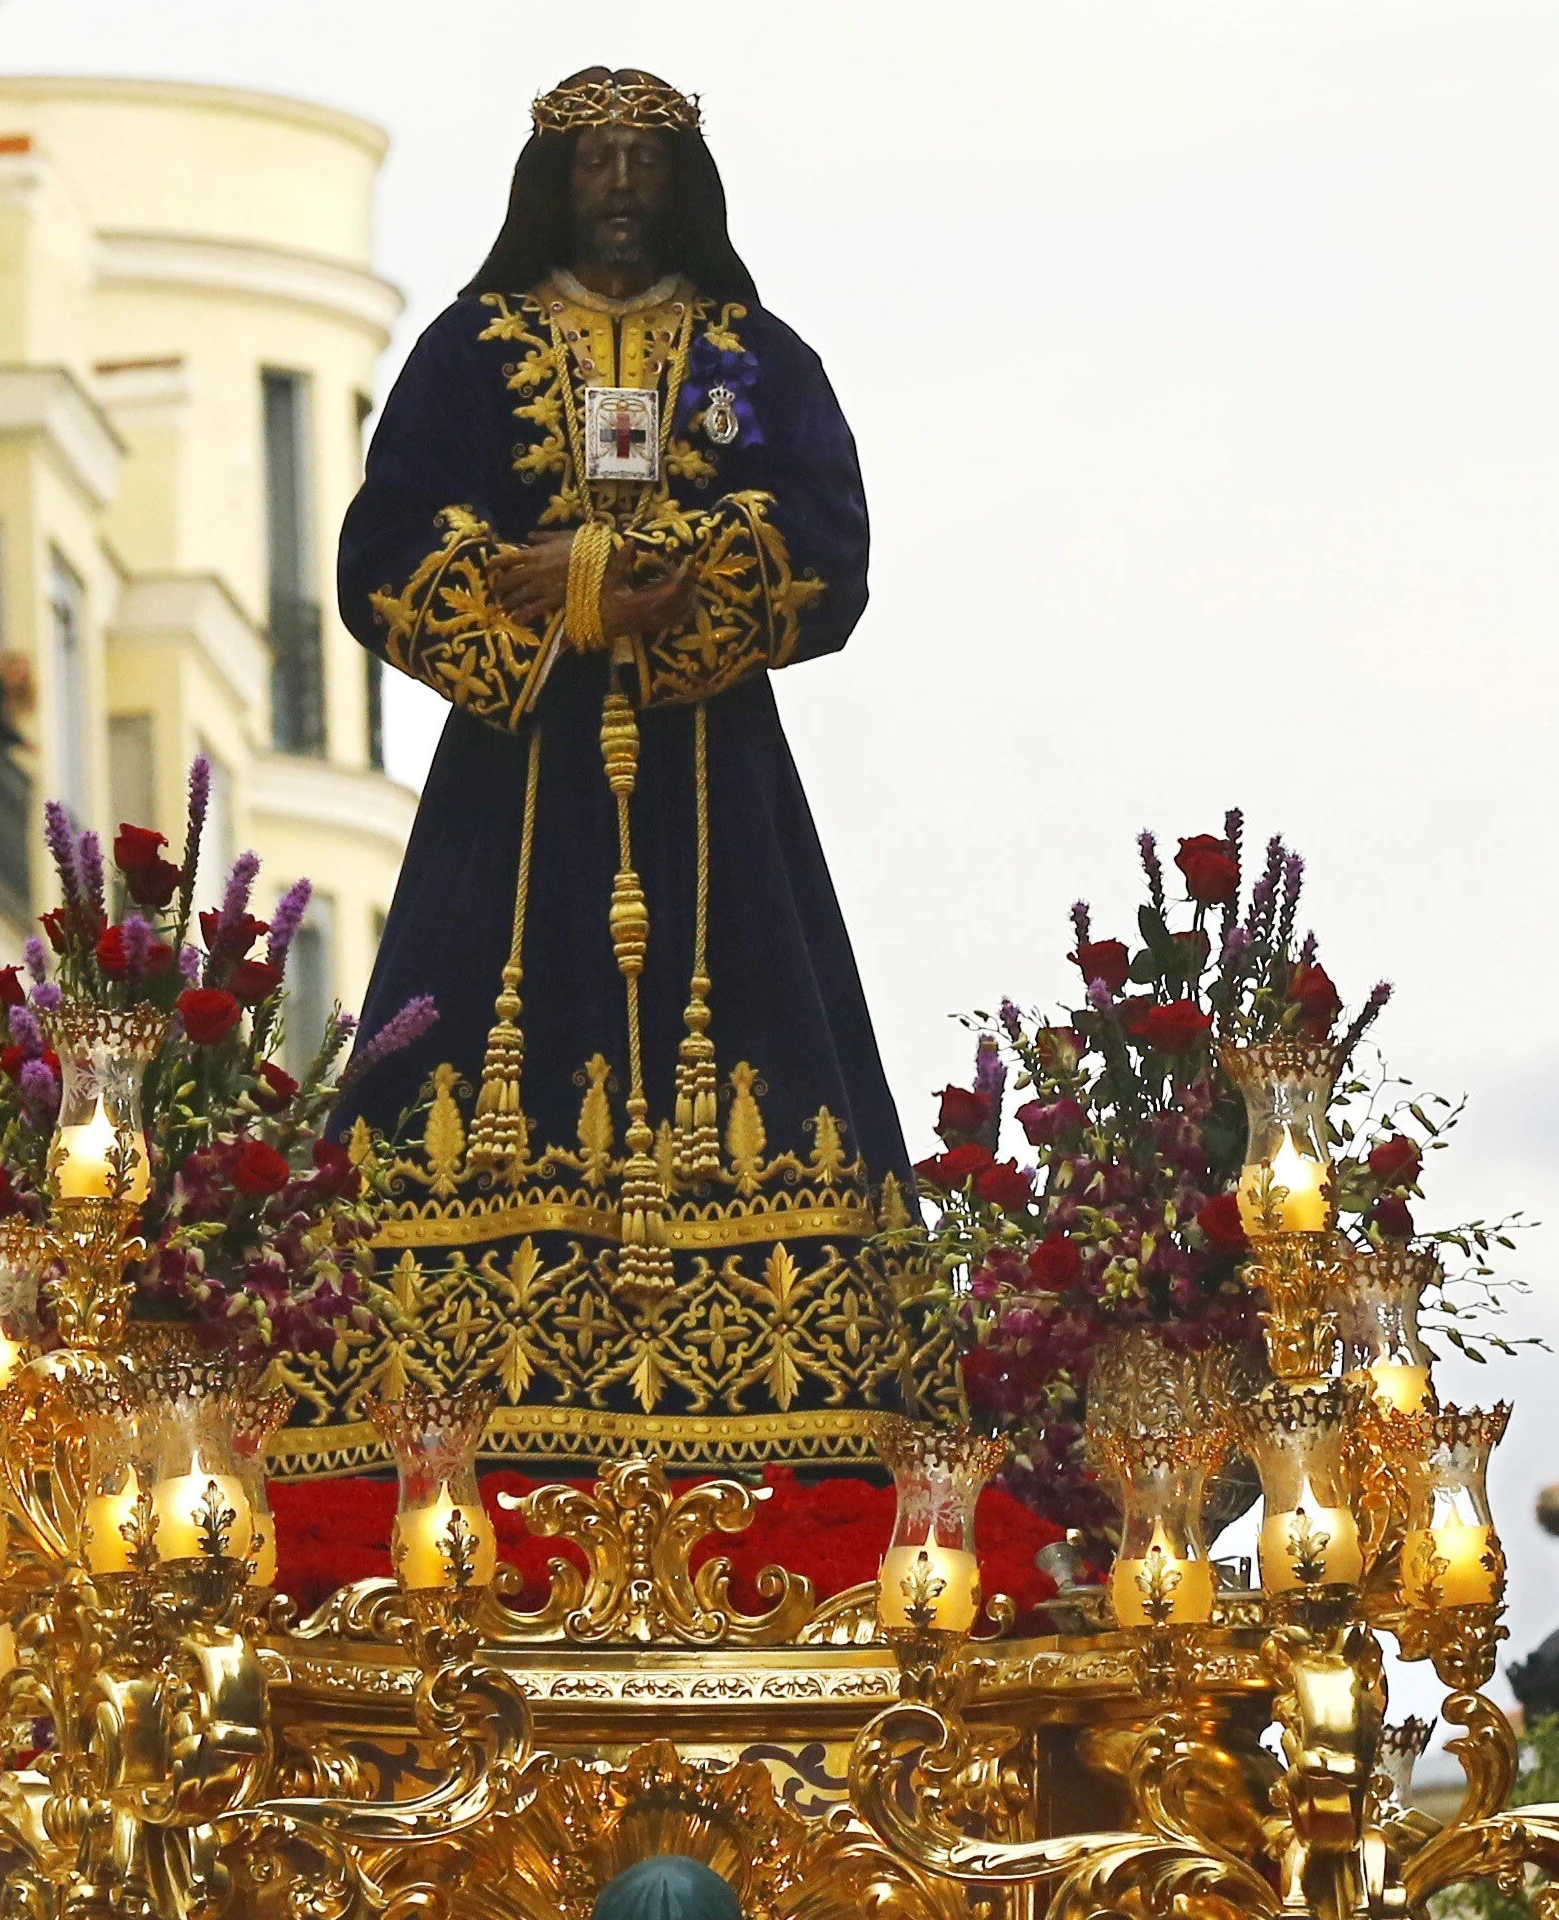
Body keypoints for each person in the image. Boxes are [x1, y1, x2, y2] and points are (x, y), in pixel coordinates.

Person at [295, 68, 947, 1477]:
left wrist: (678, 583)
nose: (617, 185)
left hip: (713, 768)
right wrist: (549, 593)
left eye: (643, 160)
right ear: (548, 181)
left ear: (685, 185)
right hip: (515, 775)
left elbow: (829, 540)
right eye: (591, 159)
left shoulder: (749, 356)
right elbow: (384, 547)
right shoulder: (469, 350)